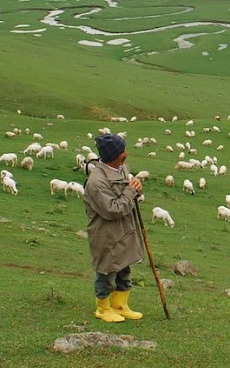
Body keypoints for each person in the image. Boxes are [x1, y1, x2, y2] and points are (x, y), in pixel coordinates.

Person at [83, 133, 145, 322]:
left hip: (124, 231)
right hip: (107, 234)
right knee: (107, 270)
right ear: (117, 154)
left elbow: (129, 192)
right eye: (123, 150)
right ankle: (103, 308)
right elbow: (113, 209)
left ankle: (120, 305)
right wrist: (131, 190)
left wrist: (137, 187)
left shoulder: (122, 169)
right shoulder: (96, 182)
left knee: (124, 268)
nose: (126, 153)